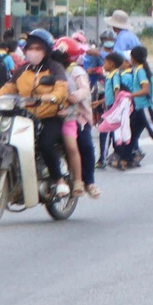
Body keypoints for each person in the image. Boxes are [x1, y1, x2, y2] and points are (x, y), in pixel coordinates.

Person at [0, 29, 72, 197]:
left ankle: (59, 180)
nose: (33, 52)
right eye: (31, 48)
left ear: (46, 50)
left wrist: (52, 97)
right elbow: (8, 88)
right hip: (26, 117)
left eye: (38, 48)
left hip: (50, 118)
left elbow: (62, 89)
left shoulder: (56, 68)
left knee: (45, 143)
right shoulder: (23, 70)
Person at [59, 38, 99, 198]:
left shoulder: (77, 72)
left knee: (85, 145)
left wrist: (74, 96)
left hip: (77, 117)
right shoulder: (47, 68)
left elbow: (84, 89)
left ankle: (88, 182)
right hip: (50, 114)